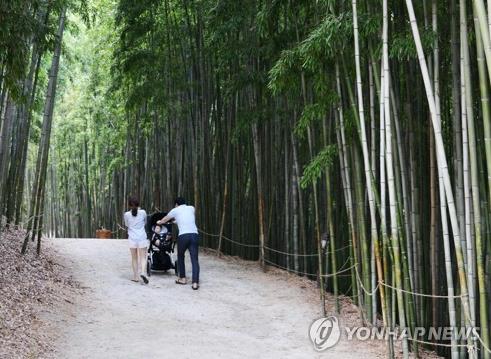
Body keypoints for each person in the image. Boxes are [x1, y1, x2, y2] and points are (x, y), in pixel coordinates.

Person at [158, 197, 200, 290]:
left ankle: (182, 278)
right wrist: (175, 221)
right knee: (194, 259)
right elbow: (186, 219)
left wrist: (159, 222)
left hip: (183, 236)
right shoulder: (191, 208)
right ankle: (195, 283)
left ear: (176, 204)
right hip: (194, 235)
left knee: (180, 256)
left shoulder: (175, 210)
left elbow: (165, 219)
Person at [123, 196, 149, 284]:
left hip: (132, 238)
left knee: (134, 258)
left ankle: (135, 277)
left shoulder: (126, 214)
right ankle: (143, 272)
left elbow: (127, 225)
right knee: (143, 257)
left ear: (129, 205)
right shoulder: (143, 212)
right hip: (142, 237)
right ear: (138, 204)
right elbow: (145, 222)